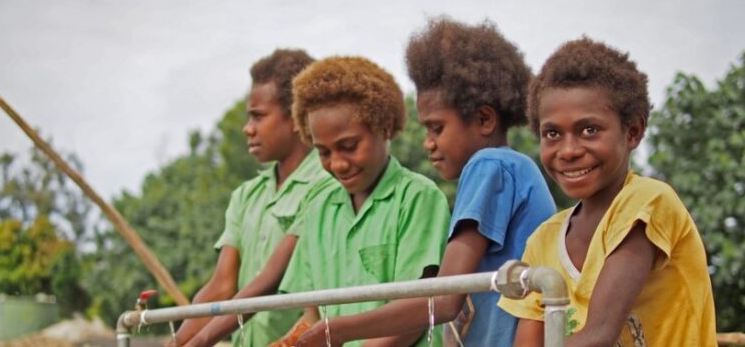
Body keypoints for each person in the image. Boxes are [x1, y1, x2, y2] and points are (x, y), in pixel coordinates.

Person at [292, 18, 557, 347]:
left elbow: (443, 300)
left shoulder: (490, 165)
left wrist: (338, 330)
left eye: (437, 128)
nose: (427, 143)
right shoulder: (512, 168)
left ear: (484, 119)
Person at [498, 38, 718, 346]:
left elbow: (599, 336)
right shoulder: (543, 240)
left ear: (633, 132)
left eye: (589, 130)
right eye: (552, 134)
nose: (569, 150)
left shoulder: (648, 201)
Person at [273, 56, 451, 347]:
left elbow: (417, 315)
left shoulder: (418, 198)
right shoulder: (318, 209)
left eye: (349, 146)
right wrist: (289, 341)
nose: (338, 164)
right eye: (324, 152)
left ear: (383, 128)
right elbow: (313, 314)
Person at [172, 49, 335, 347]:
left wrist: (201, 341)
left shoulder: (327, 184)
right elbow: (222, 285)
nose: (248, 128)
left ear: (296, 118)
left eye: (258, 116)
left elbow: (268, 283)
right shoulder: (246, 196)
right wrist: (179, 339)